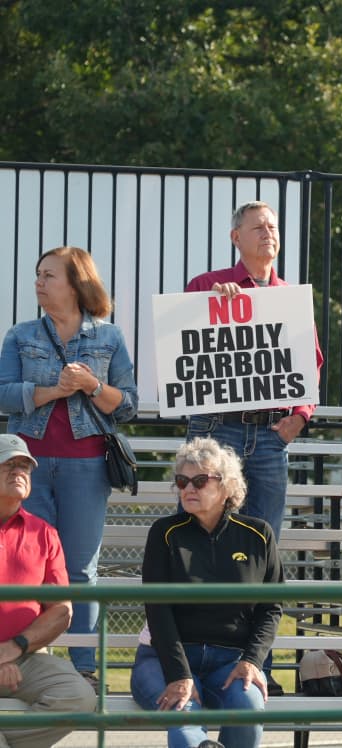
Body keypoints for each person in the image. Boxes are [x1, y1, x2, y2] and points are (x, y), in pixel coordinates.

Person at [0, 245, 138, 687]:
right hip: (29, 466)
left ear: (76, 283)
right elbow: (3, 394)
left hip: (87, 466)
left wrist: (91, 384)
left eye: (48, 276)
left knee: (80, 569)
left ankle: (83, 669)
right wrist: (52, 392)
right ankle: (23, 659)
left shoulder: (109, 337)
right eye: (38, 275)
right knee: (27, 569)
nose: (39, 283)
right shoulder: (20, 335)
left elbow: (127, 405)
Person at [184, 200, 325, 539]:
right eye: (258, 227)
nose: (268, 233)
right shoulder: (206, 286)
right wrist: (210, 308)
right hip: (215, 428)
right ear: (236, 237)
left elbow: (311, 361)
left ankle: (258, 595)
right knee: (199, 529)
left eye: (272, 227)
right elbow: (182, 347)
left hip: (270, 434)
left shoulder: (289, 297)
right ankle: (195, 594)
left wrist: (301, 416)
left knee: (262, 538)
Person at [130, 437, 283, 748]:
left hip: (230, 661)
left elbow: (271, 607)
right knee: (182, 711)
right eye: (182, 481)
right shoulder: (164, 532)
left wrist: (252, 661)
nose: (188, 488)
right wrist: (179, 675)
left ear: (226, 487)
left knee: (249, 707)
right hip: (163, 659)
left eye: (200, 480)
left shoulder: (258, 534)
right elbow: (158, 610)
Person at [0, 434, 97, 747]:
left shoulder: (43, 532)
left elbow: (61, 610)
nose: (19, 471)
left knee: (80, 697)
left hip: (22, 656)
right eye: (9, 464)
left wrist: (14, 649)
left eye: (26, 467)